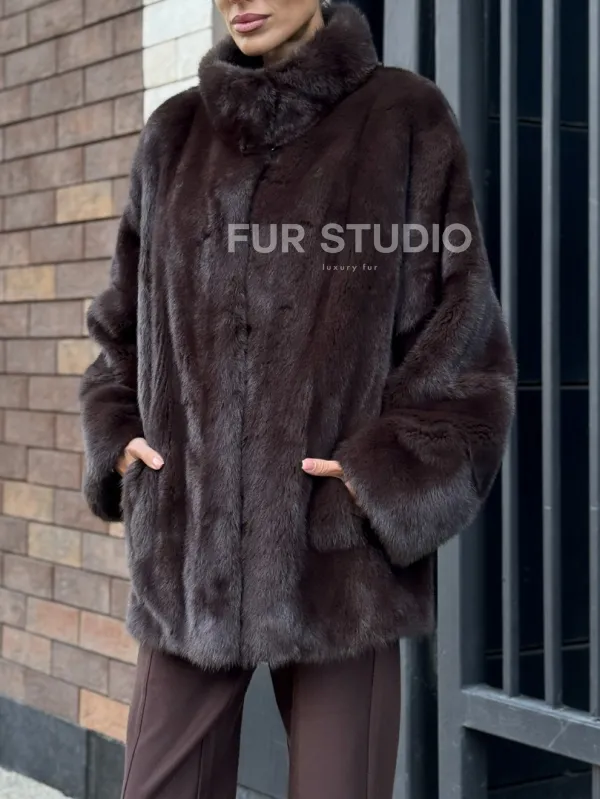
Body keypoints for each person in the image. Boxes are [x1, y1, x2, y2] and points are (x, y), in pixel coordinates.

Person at [79, 0, 517, 797]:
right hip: (188, 551)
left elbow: (463, 346)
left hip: (338, 560)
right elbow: (122, 327)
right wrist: (119, 436)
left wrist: (376, 480)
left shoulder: (404, 118)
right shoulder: (174, 135)